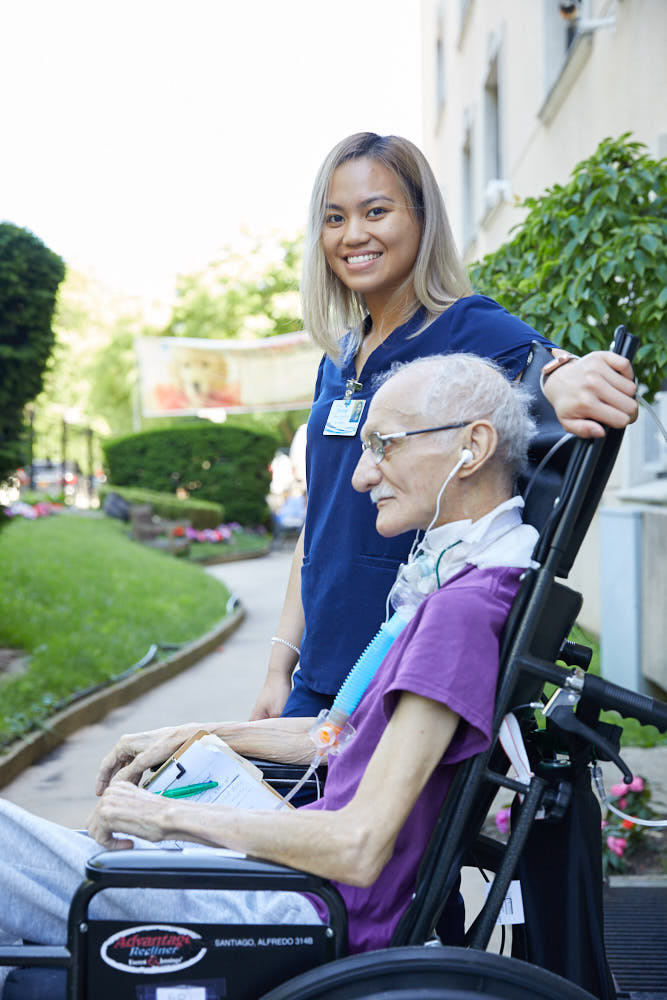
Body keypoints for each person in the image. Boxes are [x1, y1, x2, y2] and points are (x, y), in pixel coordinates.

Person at [1, 354, 538, 960]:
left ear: (472, 447)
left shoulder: (460, 613)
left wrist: (165, 817)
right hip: (291, 885)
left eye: (382, 445)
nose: (362, 476)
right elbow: (344, 739)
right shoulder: (472, 586)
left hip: (292, 907)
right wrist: (194, 732)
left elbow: (357, 846)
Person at [250, 131, 638, 722]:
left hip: (405, 674)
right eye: (335, 218)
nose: (353, 234)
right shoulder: (337, 358)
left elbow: (546, 372)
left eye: (376, 211)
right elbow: (320, 519)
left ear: (422, 219)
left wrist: (567, 378)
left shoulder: (466, 328)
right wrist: (281, 665)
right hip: (319, 676)